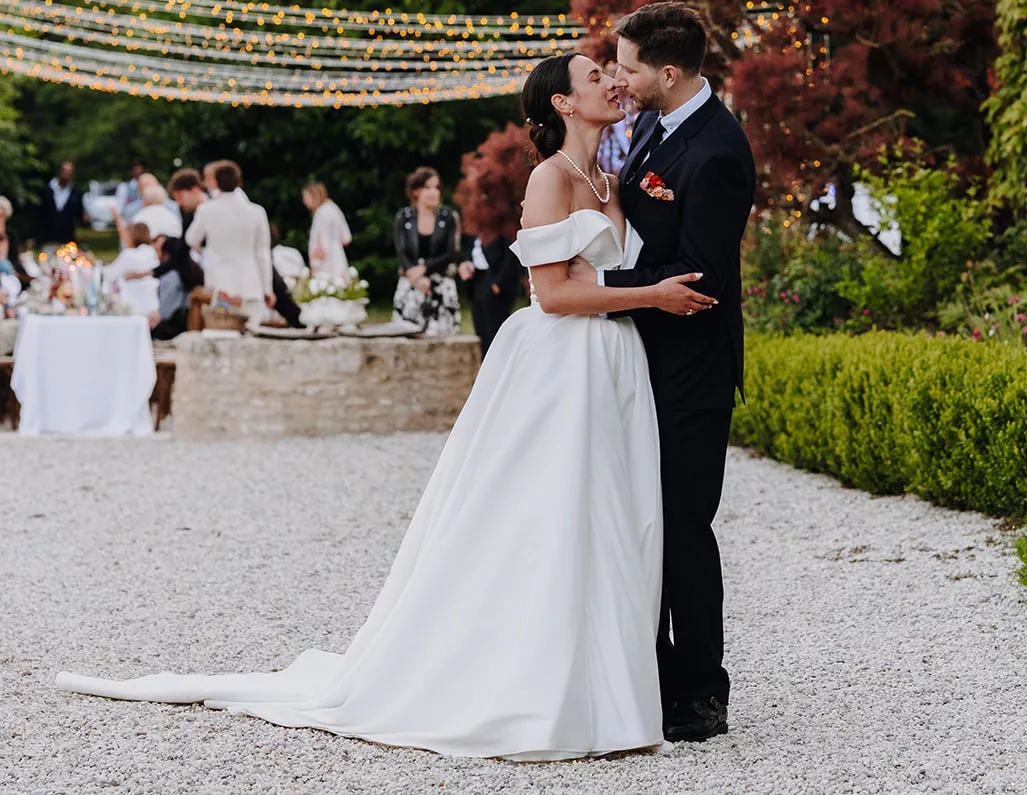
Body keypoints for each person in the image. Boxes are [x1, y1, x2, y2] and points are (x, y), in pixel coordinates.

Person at [56, 51, 715, 761]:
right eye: (594, 77)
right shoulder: (550, 180)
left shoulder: (605, 176)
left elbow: (611, 261)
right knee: (550, 514)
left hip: (612, 362)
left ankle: (608, 685)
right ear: (561, 104)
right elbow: (553, 293)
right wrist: (650, 296)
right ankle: (539, 684)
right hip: (563, 361)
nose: (611, 83)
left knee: (611, 517)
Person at [575, 2, 755, 742]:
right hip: (640, 361)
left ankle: (702, 692)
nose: (619, 77)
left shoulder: (717, 150)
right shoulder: (652, 124)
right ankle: (647, 675)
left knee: (684, 526)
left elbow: (700, 275)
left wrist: (600, 295)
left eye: (628, 66)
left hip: (692, 371)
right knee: (640, 524)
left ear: (669, 72)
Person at [184, 161, 275, 319]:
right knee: (251, 333)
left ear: (216, 182)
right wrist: (267, 288)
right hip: (251, 283)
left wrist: (206, 250)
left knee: (225, 331)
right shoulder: (257, 212)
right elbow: (263, 253)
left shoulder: (207, 210)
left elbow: (191, 239)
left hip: (221, 283)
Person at [392, 167, 461, 335]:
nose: (433, 192)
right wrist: (415, 277)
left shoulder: (448, 217)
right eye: (428, 187)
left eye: (436, 188)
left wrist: (425, 269)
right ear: (416, 191)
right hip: (411, 284)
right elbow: (401, 251)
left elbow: (452, 252)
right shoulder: (403, 217)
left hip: (440, 285)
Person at [458, 228, 522, 356]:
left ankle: (499, 360)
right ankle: (484, 359)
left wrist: (499, 282)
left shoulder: (500, 231)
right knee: (480, 325)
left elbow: (510, 257)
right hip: (478, 279)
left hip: (494, 281)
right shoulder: (476, 234)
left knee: (495, 326)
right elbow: (470, 254)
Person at [150, 235, 204, 340]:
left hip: (175, 327)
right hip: (193, 322)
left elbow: (165, 312)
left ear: (166, 254)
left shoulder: (171, 276)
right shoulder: (194, 272)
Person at [103, 223, 161, 319]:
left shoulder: (129, 255)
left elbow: (110, 274)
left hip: (133, 307)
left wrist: (93, 263)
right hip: (152, 304)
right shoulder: (151, 252)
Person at [303, 181, 352, 279]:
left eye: (306, 197)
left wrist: (315, 264)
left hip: (325, 262)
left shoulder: (320, 213)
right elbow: (347, 238)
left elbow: (318, 244)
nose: (304, 201)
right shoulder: (334, 209)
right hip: (339, 256)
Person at [35, 160, 84, 246]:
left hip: (67, 237)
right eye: (64, 171)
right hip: (47, 237)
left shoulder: (76, 193)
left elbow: (78, 214)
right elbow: (38, 213)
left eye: (69, 172)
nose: (66, 174)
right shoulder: (46, 190)